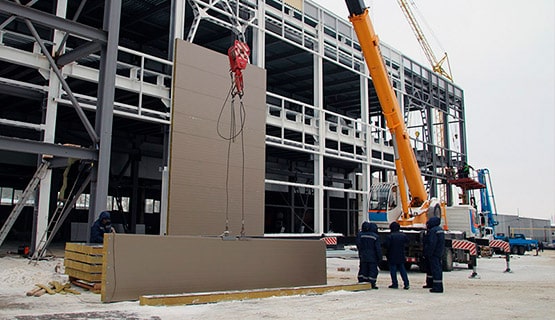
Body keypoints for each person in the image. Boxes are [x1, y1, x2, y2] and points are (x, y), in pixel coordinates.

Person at [356, 221, 382, 289]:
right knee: (372, 270)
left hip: (363, 255)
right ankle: (371, 283)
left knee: (363, 269)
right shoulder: (375, 237)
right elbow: (378, 248)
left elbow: (358, 244)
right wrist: (380, 257)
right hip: (372, 257)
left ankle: (362, 281)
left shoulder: (361, 235)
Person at [385, 221, 410, 289]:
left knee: (393, 271)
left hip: (392, 255)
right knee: (402, 270)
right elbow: (407, 242)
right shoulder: (403, 235)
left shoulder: (390, 236)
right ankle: (406, 283)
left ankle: (395, 283)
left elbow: (387, 245)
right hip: (401, 255)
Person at [423, 216, 445, 293]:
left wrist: (428, 252)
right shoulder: (439, 230)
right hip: (438, 252)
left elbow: (432, 243)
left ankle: (437, 287)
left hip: (434, 253)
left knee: (435, 269)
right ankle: (432, 283)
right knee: (433, 268)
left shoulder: (433, 231)